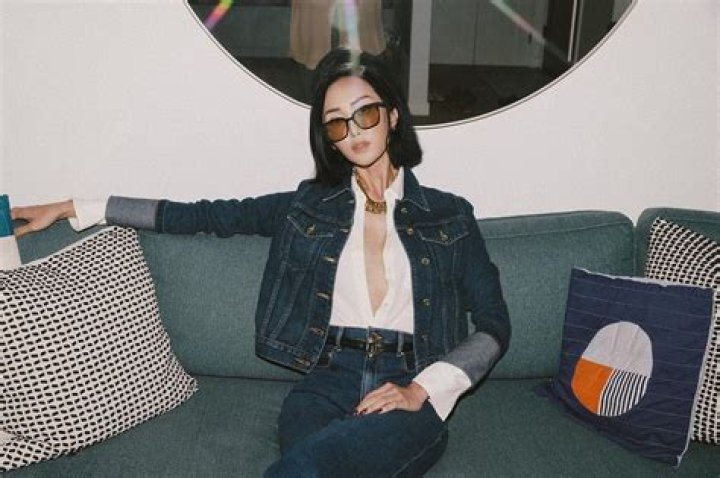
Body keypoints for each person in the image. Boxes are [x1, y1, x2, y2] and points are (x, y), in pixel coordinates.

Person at [12, 48, 511, 477]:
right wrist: (77, 208)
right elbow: (203, 216)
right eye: (337, 122)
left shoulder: (449, 215)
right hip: (326, 381)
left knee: (309, 467)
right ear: (329, 138)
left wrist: (421, 389)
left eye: (366, 113)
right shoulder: (306, 206)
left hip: (407, 378)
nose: (353, 130)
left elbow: (494, 325)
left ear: (393, 116)